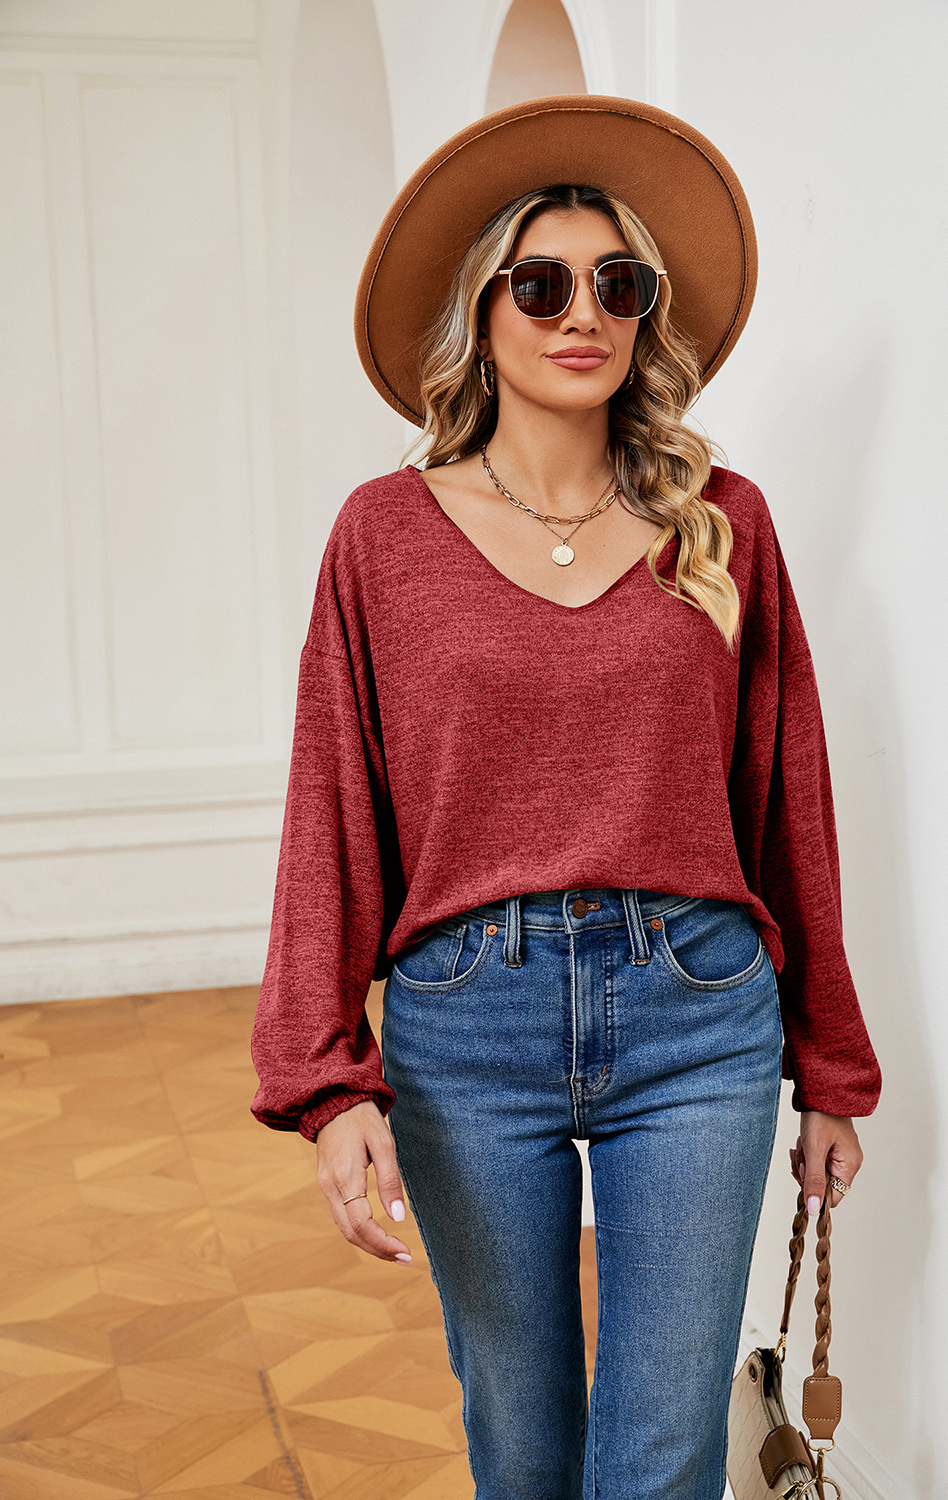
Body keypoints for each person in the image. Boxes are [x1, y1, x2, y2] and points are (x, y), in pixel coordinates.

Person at [250, 95, 881, 1500]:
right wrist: (322, 1079)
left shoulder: (723, 523)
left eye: (618, 284)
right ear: (482, 316)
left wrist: (831, 1067)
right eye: (539, 284)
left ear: (649, 315)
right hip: (466, 1025)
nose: (581, 312)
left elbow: (791, 801)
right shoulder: (382, 536)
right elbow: (330, 809)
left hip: (699, 1014)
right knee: (523, 1447)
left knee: (663, 1456)